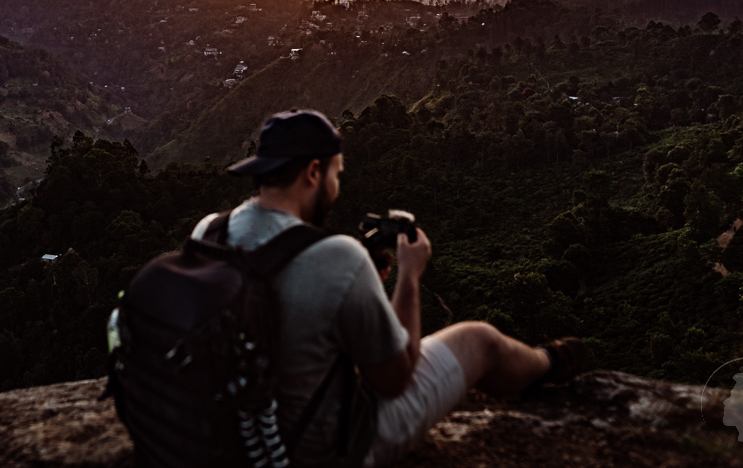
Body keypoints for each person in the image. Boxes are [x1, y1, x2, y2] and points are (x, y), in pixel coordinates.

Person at [193, 109, 587, 467]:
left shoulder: (209, 232)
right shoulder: (338, 258)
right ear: (313, 172)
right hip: (327, 449)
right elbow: (394, 381)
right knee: (479, 339)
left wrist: (359, 278)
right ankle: (551, 361)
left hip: (227, 440)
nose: (336, 186)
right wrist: (409, 275)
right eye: (336, 174)